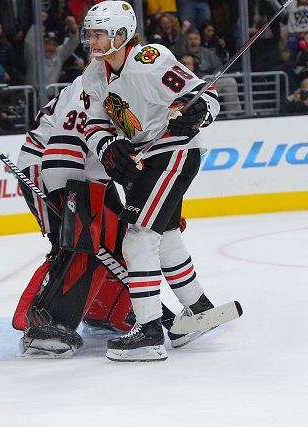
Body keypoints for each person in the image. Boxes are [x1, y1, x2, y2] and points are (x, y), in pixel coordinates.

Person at [80, 1, 222, 362]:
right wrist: (108, 146)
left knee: (139, 235)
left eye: (99, 34)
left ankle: (149, 331)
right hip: (144, 158)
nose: (92, 41)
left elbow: (206, 95)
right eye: (91, 34)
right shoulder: (93, 77)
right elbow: (93, 124)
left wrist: (198, 112)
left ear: (122, 35)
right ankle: (200, 310)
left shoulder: (152, 61)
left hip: (175, 151)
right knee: (166, 235)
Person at [13, 74, 135, 358]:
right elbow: (63, 150)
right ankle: (41, 320)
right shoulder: (92, 84)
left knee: (118, 239)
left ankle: (102, 311)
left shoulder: (123, 85)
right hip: (46, 167)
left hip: (88, 173)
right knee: (73, 244)